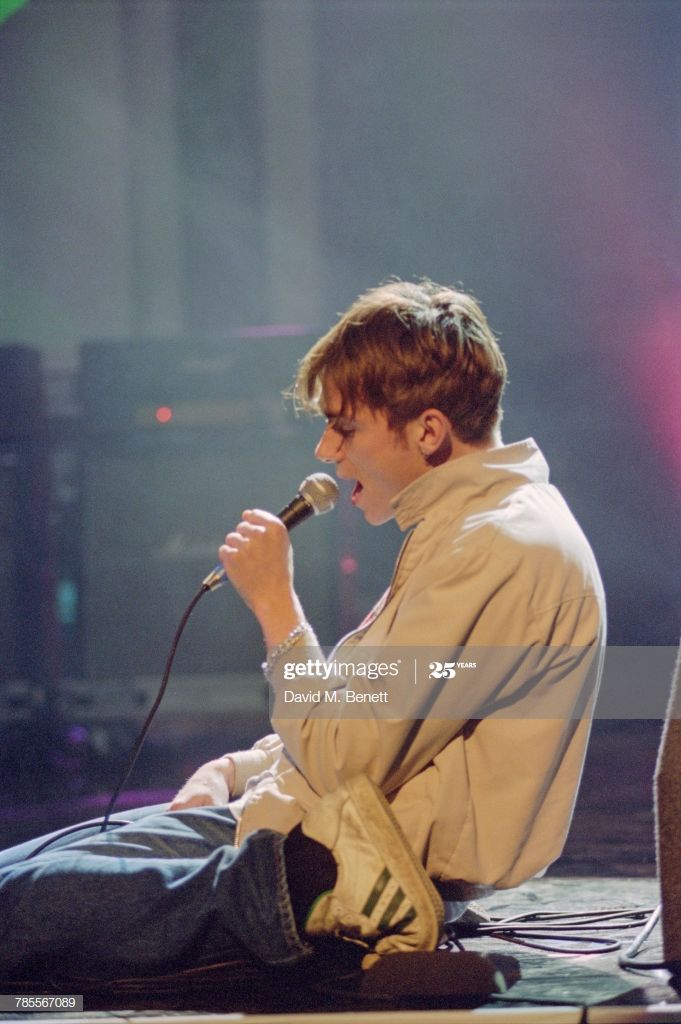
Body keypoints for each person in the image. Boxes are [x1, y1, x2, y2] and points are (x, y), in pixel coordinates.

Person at [0, 279, 605, 985]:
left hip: (317, 879)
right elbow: (370, 716)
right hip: (284, 830)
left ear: (428, 431)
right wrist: (238, 769)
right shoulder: (467, 531)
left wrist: (277, 608)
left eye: (345, 428)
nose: (326, 450)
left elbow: (349, 756)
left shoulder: (494, 546)